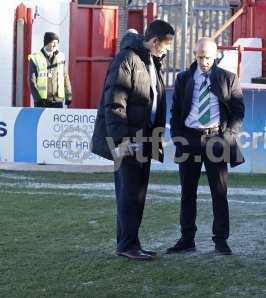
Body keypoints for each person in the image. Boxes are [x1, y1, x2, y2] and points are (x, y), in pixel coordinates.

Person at [91, 21, 175, 260]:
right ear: (155, 42)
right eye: (166, 45)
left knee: (137, 194)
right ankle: (127, 245)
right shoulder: (127, 59)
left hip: (145, 138)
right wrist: (121, 140)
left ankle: (130, 242)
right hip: (129, 140)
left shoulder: (150, 61)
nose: (167, 51)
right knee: (129, 194)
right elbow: (115, 102)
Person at [167, 38, 244, 255]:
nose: (203, 61)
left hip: (216, 140)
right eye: (200, 57)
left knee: (219, 193)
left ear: (215, 55)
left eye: (208, 57)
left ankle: (220, 240)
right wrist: (176, 135)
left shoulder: (228, 78)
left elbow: (238, 112)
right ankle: (187, 238)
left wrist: (228, 137)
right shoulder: (183, 78)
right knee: (187, 193)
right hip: (188, 139)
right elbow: (175, 111)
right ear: (195, 54)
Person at [29, 32, 72, 108]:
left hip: (58, 101)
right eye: (53, 42)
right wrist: (37, 99)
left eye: (57, 43)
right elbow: (32, 81)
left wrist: (68, 95)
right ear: (46, 43)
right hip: (42, 101)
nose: (56, 45)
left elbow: (65, 77)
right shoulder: (35, 58)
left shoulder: (61, 57)